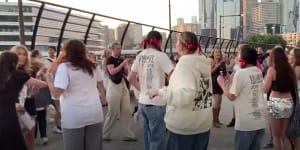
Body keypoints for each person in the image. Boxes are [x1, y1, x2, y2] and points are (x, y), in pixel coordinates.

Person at [149, 31, 212, 150]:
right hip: (203, 123)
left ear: (183, 45)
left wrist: (161, 92)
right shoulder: (203, 61)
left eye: (177, 41)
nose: (176, 44)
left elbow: (186, 94)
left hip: (185, 127)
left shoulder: (185, 63)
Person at [46, 39, 105, 150]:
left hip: (73, 115)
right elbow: (100, 83)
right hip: (95, 112)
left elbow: (56, 92)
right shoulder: (93, 66)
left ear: (66, 51)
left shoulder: (65, 67)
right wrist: (103, 98)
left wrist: (48, 77)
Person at [129, 31, 174, 150]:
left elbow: (131, 78)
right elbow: (173, 76)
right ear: (159, 41)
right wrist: (169, 90)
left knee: (148, 137)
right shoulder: (161, 56)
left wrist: (143, 90)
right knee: (158, 139)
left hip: (143, 102)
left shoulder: (140, 55)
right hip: (157, 102)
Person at [217, 46, 267, 150]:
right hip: (260, 120)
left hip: (246, 124)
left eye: (238, 53)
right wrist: (231, 80)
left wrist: (222, 84)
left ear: (244, 57)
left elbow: (231, 96)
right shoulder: (257, 71)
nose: (236, 56)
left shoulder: (241, 73)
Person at [0, 51, 46, 150]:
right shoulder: (19, 75)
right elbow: (42, 84)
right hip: (10, 114)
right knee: (15, 141)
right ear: (14, 63)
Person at [102, 42, 136, 141]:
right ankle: (105, 134)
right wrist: (122, 64)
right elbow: (112, 72)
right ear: (112, 49)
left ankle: (128, 134)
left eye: (120, 49)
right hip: (113, 86)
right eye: (117, 49)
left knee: (127, 111)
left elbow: (127, 73)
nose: (119, 50)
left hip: (122, 84)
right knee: (113, 112)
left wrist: (129, 65)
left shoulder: (121, 60)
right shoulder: (109, 60)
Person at [264, 47, 295, 150]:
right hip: (288, 101)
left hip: (276, 102)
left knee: (276, 136)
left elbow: (265, 88)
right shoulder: (290, 68)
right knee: (284, 135)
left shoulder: (272, 69)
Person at [30, 50, 49, 145]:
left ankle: (34, 137)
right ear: (36, 56)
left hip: (33, 96)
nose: (42, 57)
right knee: (41, 117)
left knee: (34, 117)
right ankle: (43, 136)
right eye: (40, 56)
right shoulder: (40, 67)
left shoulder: (28, 67)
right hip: (40, 94)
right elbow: (43, 81)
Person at [287, 48, 300, 149]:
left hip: (298, 101)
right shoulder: (294, 67)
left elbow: (291, 85)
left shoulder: (297, 68)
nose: (288, 56)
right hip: (296, 99)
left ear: (296, 57)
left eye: (290, 54)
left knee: (295, 131)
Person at [210, 47, 226, 128]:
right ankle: (214, 120)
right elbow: (210, 72)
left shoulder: (222, 62)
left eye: (219, 51)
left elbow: (225, 72)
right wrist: (217, 66)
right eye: (216, 52)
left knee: (219, 103)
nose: (218, 53)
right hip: (214, 83)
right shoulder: (211, 61)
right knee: (216, 103)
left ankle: (217, 119)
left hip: (220, 83)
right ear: (213, 53)